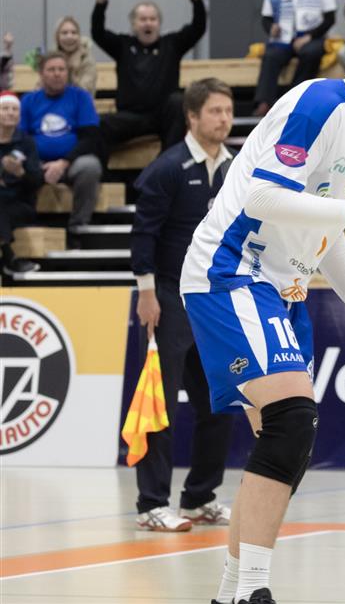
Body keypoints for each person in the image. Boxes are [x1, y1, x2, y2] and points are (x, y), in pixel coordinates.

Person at [180, 19, 345, 604]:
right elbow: (262, 196)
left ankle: (231, 592)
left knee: (283, 441)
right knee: (292, 422)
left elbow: (326, 231)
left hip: (284, 288)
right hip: (231, 269)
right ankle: (253, 590)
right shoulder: (320, 103)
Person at [131, 78, 237, 533]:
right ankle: (152, 503)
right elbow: (144, 234)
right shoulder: (167, 168)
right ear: (192, 117)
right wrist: (147, 293)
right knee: (161, 404)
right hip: (169, 297)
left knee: (220, 402)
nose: (224, 119)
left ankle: (200, 496)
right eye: (215, 111)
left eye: (228, 111)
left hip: (214, 300)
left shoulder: (236, 168)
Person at [92, 0, 206, 151]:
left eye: (153, 19)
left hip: (163, 117)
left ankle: (169, 162)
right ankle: (102, 169)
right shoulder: (122, 45)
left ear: (158, 23)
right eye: (143, 19)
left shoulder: (172, 44)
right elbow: (98, 32)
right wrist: (101, 1)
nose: (148, 23)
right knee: (100, 124)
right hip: (130, 117)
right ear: (134, 24)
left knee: (178, 101)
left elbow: (198, 27)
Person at [18, 53, 102, 231]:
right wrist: (36, 164)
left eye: (61, 69)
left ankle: (78, 227)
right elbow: (20, 138)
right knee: (17, 167)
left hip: (71, 162)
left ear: (67, 73)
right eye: (51, 70)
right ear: (41, 74)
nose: (57, 74)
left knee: (91, 166)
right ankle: (26, 225)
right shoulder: (28, 100)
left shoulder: (81, 97)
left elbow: (90, 138)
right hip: (37, 162)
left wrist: (63, 163)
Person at [254, 0, 337, 115]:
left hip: (312, 36)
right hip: (284, 38)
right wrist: (271, 28)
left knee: (310, 53)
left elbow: (330, 18)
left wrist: (309, 36)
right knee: (270, 56)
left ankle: (294, 99)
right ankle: (264, 102)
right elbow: (266, 18)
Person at [0, 90, 43, 277]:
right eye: (5, 109)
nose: (10, 113)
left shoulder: (26, 143)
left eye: (14, 109)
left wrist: (20, 173)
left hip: (19, 204)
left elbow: (37, 182)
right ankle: (9, 257)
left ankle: (9, 257)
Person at [51, 15, 97, 95]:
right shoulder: (51, 59)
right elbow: (41, 88)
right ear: (57, 37)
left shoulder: (86, 59)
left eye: (74, 33)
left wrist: (71, 70)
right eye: (64, 33)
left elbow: (85, 92)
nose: (69, 37)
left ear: (79, 36)